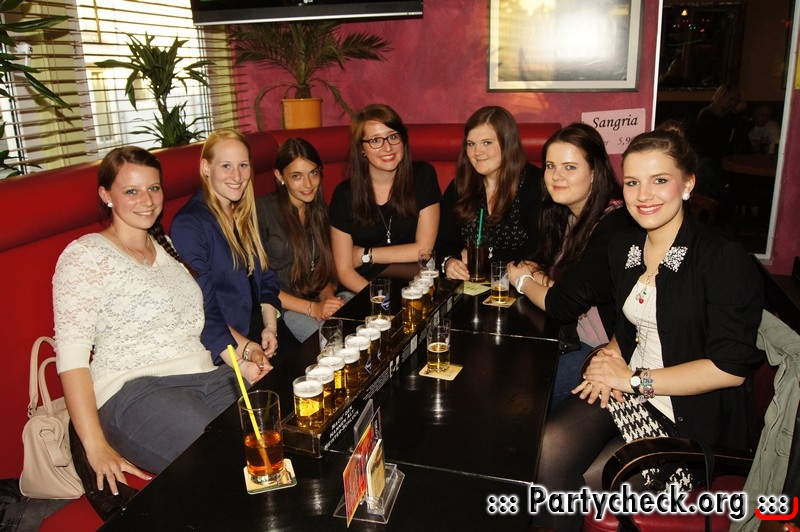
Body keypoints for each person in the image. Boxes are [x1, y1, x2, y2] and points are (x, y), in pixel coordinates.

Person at [533, 123, 763, 530]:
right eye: (633, 182)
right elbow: (628, 326)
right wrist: (608, 358)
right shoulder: (626, 246)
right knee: (547, 450)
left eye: (659, 180)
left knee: (593, 483)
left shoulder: (721, 258)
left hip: (688, 414)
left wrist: (633, 380)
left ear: (688, 184)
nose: (643, 196)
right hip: (631, 388)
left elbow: (729, 369)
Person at [54, 147, 245, 518]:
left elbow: (196, 322)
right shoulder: (85, 255)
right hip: (136, 390)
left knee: (276, 440)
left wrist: (243, 353)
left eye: (154, 189)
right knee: (226, 465)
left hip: (209, 376)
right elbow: (72, 358)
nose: (147, 200)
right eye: (132, 191)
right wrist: (95, 446)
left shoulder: (166, 247)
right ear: (106, 195)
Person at [506, 122, 635, 410]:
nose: (556, 176)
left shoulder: (615, 225)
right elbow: (536, 263)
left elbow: (562, 304)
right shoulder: (564, 215)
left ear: (595, 172)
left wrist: (523, 282)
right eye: (551, 166)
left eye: (570, 167)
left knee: (517, 399)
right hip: (571, 338)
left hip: (609, 352)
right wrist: (540, 278)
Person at [172, 129, 281, 376]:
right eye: (226, 166)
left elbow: (267, 277)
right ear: (206, 168)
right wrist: (244, 354)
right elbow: (202, 309)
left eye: (243, 165)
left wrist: (270, 328)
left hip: (259, 333)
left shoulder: (243, 212)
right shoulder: (190, 224)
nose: (237, 176)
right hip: (224, 350)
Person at [329, 103, 441, 292]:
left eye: (393, 136)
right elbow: (344, 270)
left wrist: (366, 255)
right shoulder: (344, 195)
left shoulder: (422, 176)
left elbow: (424, 250)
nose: (387, 147)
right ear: (361, 149)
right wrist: (379, 299)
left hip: (414, 287)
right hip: (360, 290)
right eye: (375, 140)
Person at [256, 138, 346, 343]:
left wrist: (328, 300)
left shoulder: (319, 210)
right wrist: (313, 308)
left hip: (314, 302)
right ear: (280, 176)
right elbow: (260, 284)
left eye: (313, 173)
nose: (308, 184)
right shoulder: (263, 211)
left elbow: (324, 271)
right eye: (296, 176)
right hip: (282, 309)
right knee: (331, 342)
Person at [437, 106, 542, 278]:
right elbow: (443, 242)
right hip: (469, 285)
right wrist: (449, 262)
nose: (477, 152)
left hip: (521, 286)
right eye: (471, 144)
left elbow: (539, 250)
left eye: (487, 142)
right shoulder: (460, 185)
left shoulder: (534, 184)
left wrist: (485, 257)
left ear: (508, 143)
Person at [689, 83, 748, 198]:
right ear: (722, 97)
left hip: (721, 157)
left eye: (735, 100)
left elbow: (736, 138)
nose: (732, 103)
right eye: (730, 99)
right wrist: (735, 113)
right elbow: (711, 138)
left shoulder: (732, 117)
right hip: (705, 156)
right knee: (708, 170)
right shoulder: (707, 114)